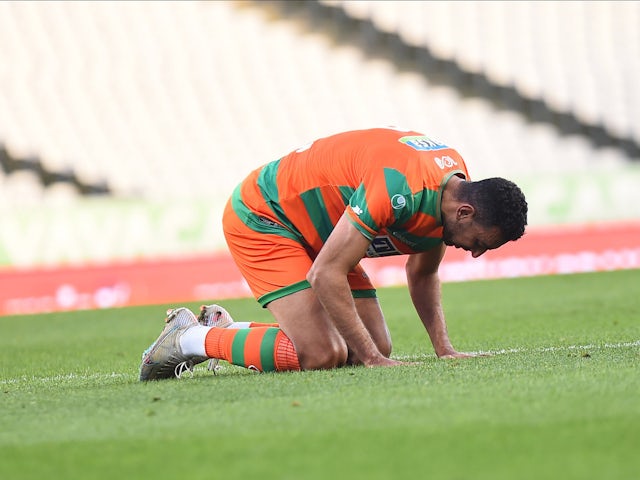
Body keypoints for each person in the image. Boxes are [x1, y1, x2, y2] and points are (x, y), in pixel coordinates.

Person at [139, 127, 528, 380]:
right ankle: (189, 338)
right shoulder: (397, 186)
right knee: (323, 353)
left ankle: (227, 333)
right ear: (466, 212)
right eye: (480, 242)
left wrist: (444, 350)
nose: (475, 254)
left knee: (371, 345)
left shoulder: (452, 188)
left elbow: (423, 273)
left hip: (320, 232)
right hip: (265, 213)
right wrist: (375, 361)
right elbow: (326, 273)